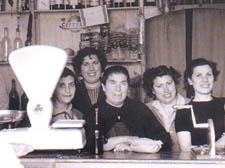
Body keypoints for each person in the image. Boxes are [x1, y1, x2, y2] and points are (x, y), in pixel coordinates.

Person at [98, 65, 172, 153]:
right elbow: (92, 144)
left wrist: (133, 147)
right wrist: (129, 139)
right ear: (103, 87)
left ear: (128, 87)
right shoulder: (95, 111)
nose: (118, 89)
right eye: (113, 83)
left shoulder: (139, 109)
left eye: (123, 83)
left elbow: (163, 140)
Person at [175, 58, 225, 151]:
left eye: (209, 75)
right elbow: (186, 150)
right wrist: (217, 145)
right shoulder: (183, 111)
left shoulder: (223, 104)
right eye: (199, 75)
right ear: (190, 81)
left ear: (214, 78)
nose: (205, 79)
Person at [143, 65, 189, 152]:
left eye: (169, 83)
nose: (166, 90)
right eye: (159, 86)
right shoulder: (146, 110)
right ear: (152, 90)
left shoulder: (190, 105)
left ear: (175, 84)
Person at [71, 47, 107, 153]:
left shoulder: (111, 88)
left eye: (95, 63)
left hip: (107, 147)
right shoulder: (72, 91)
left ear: (101, 66)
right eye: (86, 64)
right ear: (80, 69)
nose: (91, 68)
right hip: (80, 148)